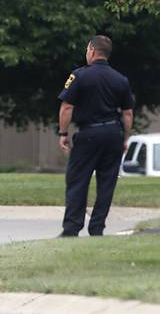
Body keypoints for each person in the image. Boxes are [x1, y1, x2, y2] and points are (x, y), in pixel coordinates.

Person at [57, 35, 134, 237]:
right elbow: (127, 113)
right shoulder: (121, 79)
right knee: (107, 182)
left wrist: (63, 133)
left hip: (89, 134)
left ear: (91, 50)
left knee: (78, 180)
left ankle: (72, 228)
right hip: (113, 134)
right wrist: (125, 138)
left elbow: (66, 106)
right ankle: (97, 228)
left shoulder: (79, 76)